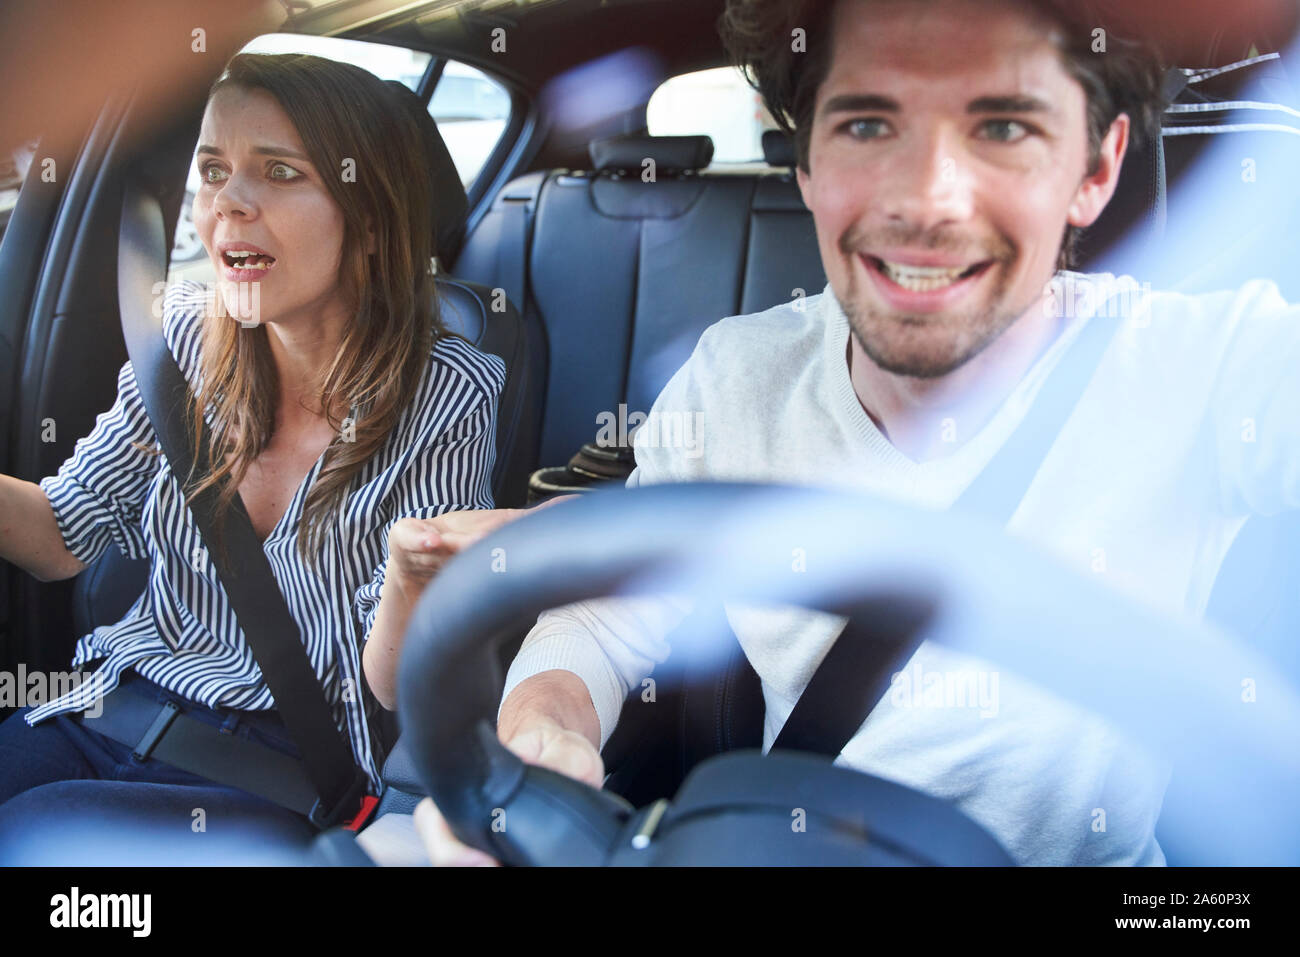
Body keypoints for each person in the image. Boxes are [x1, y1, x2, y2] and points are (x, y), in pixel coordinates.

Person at [401, 0, 1300, 867]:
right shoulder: (736, 376)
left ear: (1095, 169)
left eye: (1005, 128)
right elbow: (605, 617)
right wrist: (540, 733)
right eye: (868, 125)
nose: (928, 201)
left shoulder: (1213, 365)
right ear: (804, 162)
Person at [0, 52, 506, 860]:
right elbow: (63, 535)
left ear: (368, 218)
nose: (228, 202)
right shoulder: (184, 346)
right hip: (108, 707)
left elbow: (390, 688)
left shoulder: (447, 393)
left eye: (276, 172)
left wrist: (414, 577)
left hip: (284, 768)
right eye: (212, 170)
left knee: (29, 840)